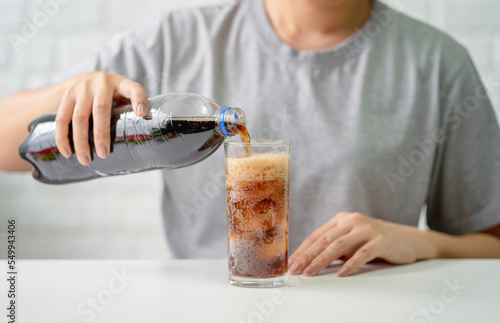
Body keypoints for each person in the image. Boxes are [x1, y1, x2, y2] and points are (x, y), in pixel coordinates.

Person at [0, 0, 499, 277]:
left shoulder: (437, 64)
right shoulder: (177, 40)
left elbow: (491, 243)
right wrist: (74, 92)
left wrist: (427, 243)